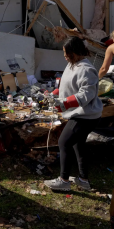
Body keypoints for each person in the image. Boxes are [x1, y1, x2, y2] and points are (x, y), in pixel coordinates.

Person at [44, 37, 103, 192]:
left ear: (75, 52)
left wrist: (64, 103)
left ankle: (63, 180)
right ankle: (83, 180)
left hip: (86, 115)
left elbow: (85, 95)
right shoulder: (72, 64)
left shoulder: (86, 69)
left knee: (64, 142)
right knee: (78, 144)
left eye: (66, 52)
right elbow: (66, 84)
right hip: (78, 113)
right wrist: (53, 94)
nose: (64, 55)